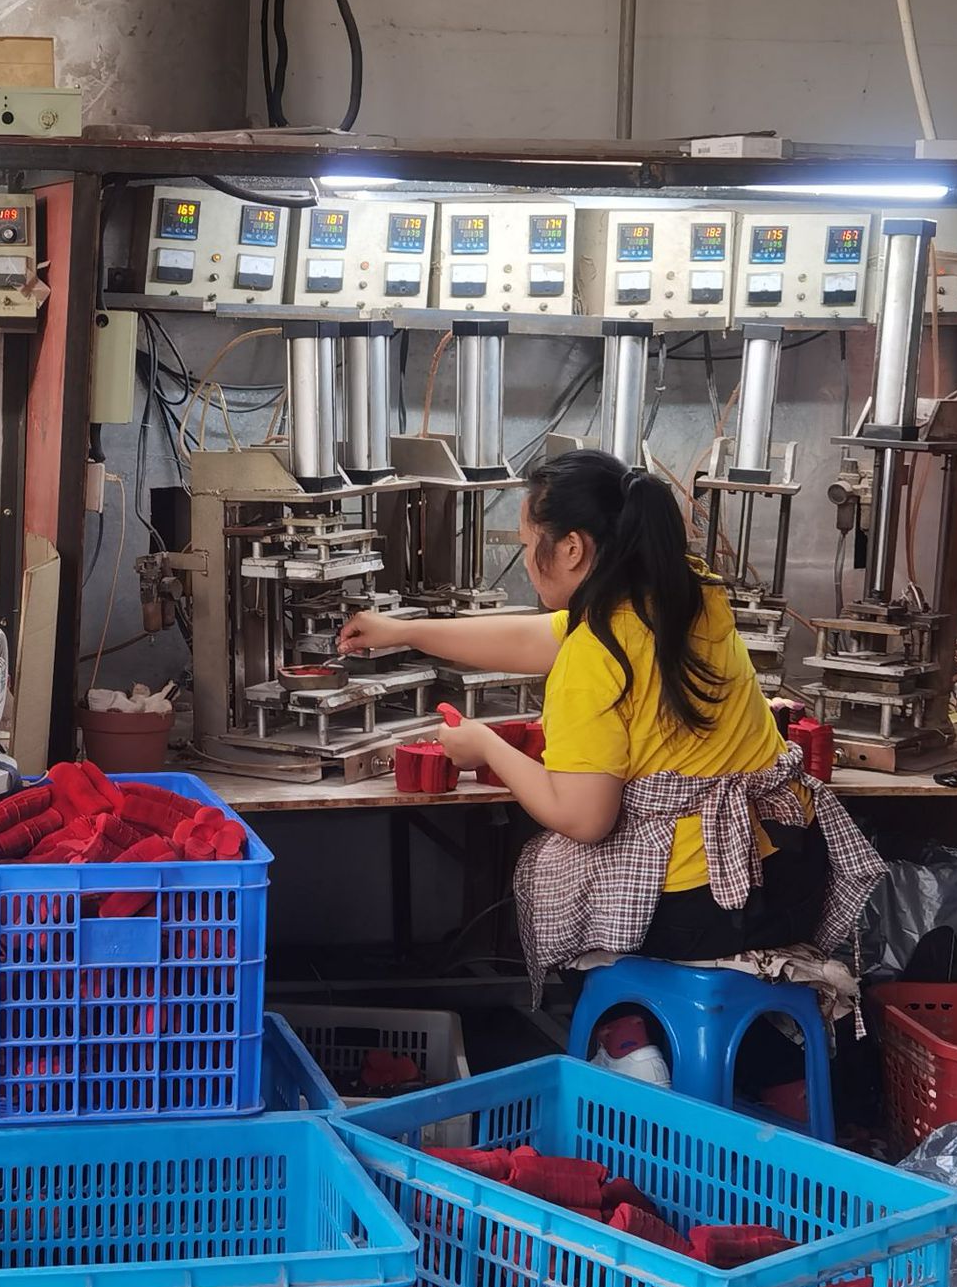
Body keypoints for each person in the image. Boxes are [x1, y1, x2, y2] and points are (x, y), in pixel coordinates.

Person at [338, 448, 883, 1085]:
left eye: (526, 542)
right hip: (792, 874)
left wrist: (485, 747)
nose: (524, 560)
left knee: (557, 867)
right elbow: (539, 636)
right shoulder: (690, 593)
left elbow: (584, 816)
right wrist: (406, 631)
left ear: (570, 548)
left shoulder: (595, 659)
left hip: (711, 903)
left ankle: (628, 1043)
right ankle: (742, 1066)